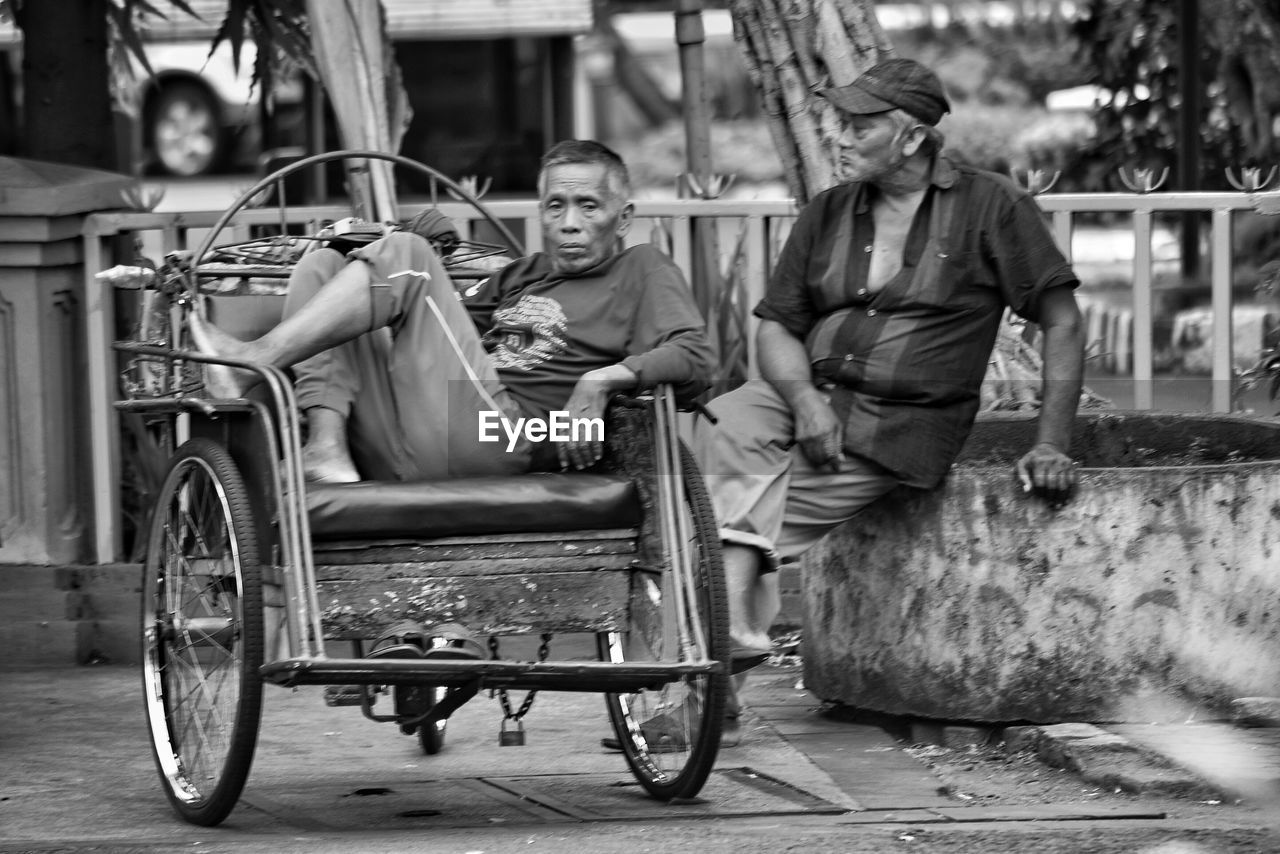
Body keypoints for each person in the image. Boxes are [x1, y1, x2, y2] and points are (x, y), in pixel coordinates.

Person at [693, 59, 1086, 718]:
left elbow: (1062, 318)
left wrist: (1051, 443)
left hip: (895, 425)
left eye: (856, 125)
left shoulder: (991, 206)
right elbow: (775, 329)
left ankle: (704, 702)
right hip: (802, 396)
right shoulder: (830, 211)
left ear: (909, 139)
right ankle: (720, 673)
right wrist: (807, 402)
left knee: (723, 524)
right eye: (837, 121)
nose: (836, 137)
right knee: (708, 434)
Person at [190, 140, 715, 486]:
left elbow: (695, 356)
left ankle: (251, 360)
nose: (569, 223)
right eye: (556, 206)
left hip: (507, 436)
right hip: (423, 427)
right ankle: (326, 448)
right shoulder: (523, 274)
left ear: (623, 218)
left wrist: (603, 379)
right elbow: (437, 318)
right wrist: (379, 250)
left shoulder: (641, 269)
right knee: (326, 263)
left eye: (588, 206)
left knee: (409, 259)